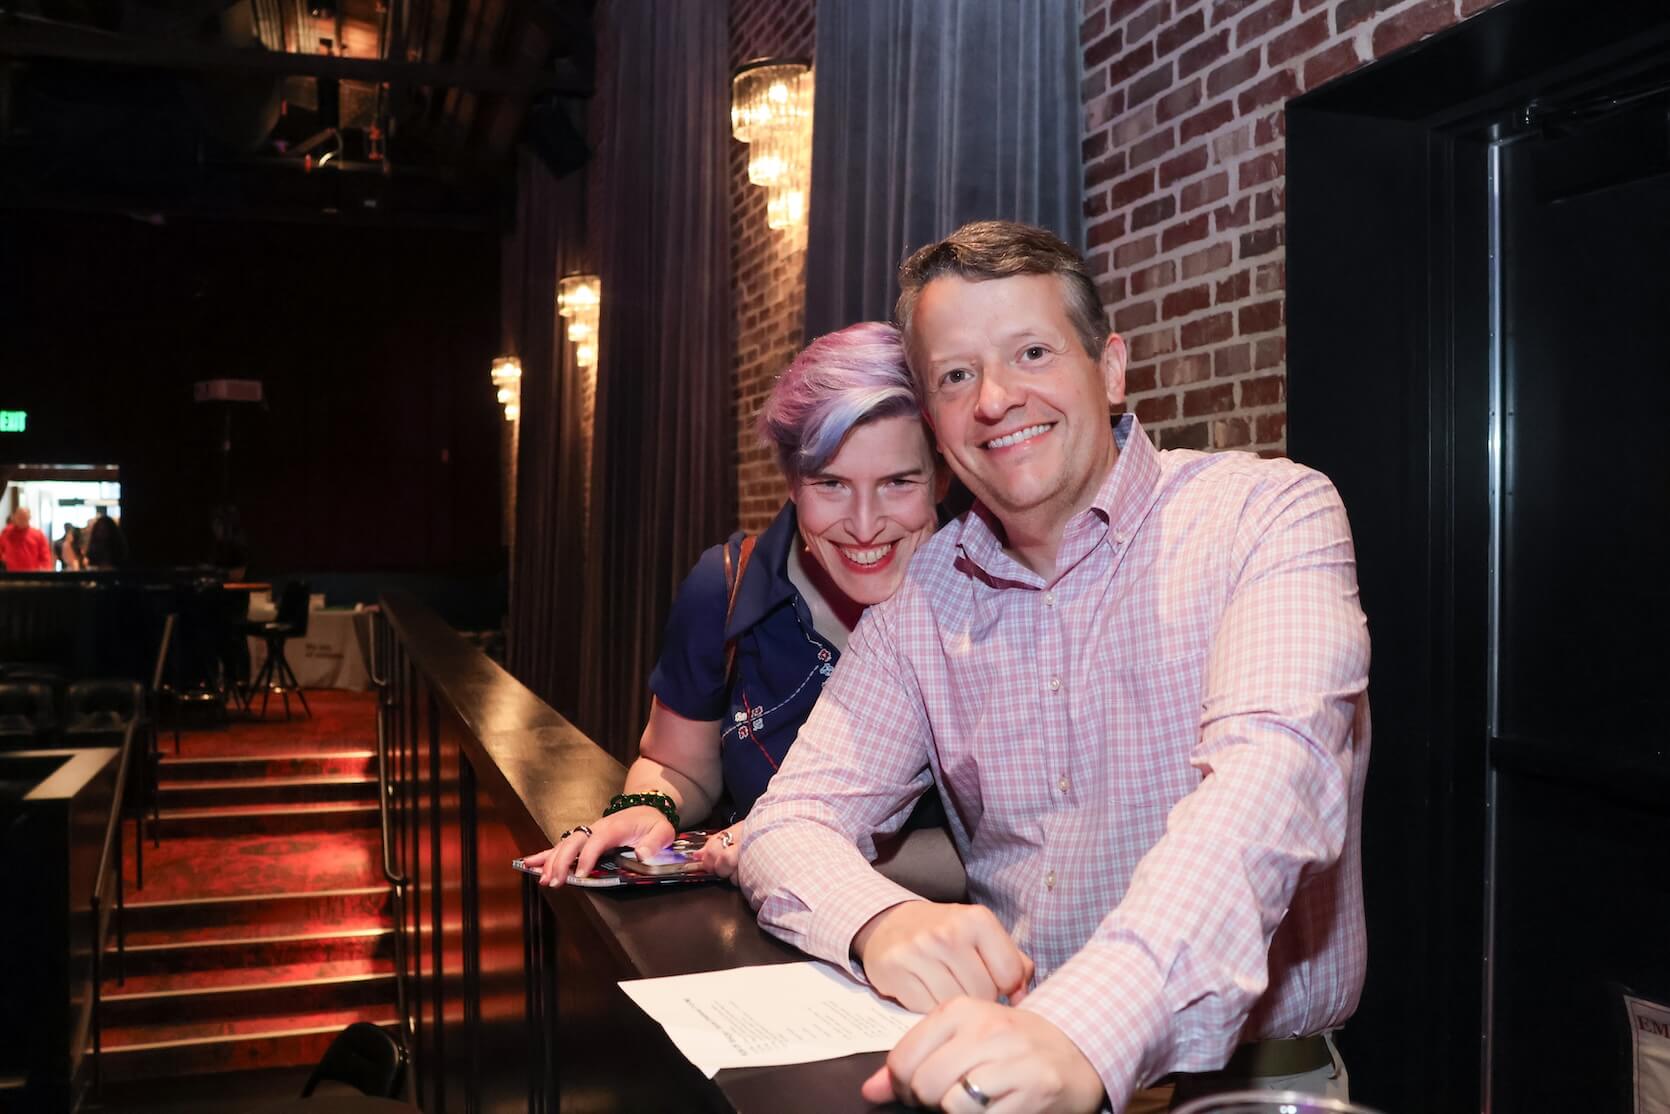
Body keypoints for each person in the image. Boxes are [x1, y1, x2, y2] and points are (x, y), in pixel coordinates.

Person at [737, 221, 1371, 1113]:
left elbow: (1270, 785)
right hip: (994, 1074)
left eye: (1031, 351)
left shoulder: (1266, 514)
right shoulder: (925, 597)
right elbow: (785, 824)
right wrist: (880, 920)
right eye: (957, 375)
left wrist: (1083, 1027)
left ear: (1109, 369)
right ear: (934, 417)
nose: (995, 398)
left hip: (1245, 1089)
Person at [522, 321, 947, 886]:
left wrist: (789, 844)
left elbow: (1019, 850)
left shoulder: (998, 599)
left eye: (898, 482)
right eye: (831, 484)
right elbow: (677, 766)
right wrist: (650, 807)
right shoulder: (725, 588)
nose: (865, 526)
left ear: (942, 475)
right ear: (792, 482)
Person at [0, 507, 53, 572]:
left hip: (32, 574)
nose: (21, 520)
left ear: (29, 518)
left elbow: (45, 556)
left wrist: (45, 573)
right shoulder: (6, 532)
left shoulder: (38, 534)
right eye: (19, 517)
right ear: (14, 517)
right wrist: (3, 557)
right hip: (11, 574)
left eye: (24, 518)